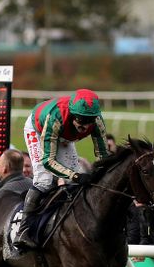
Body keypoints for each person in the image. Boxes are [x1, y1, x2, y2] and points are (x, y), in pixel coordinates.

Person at [15, 89, 110, 251]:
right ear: (73, 115)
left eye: (89, 121)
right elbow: (48, 161)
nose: (85, 126)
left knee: (74, 178)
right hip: (38, 129)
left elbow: (103, 155)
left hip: (64, 134)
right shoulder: (56, 118)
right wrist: (76, 176)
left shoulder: (97, 121)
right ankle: (22, 230)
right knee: (44, 180)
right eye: (81, 120)